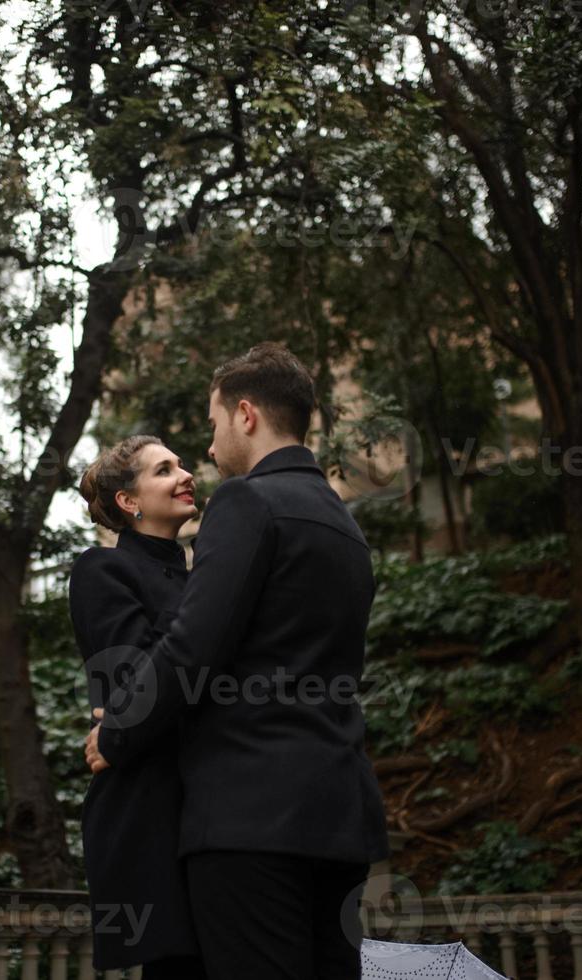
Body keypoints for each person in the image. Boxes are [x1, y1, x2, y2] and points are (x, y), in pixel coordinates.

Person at [83, 342, 391, 980]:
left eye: (215, 421)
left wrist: (117, 731)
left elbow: (194, 646)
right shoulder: (344, 524)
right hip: (339, 816)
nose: (210, 441)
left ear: (245, 415)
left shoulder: (246, 503)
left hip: (250, 817)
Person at [70, 434, 208, 980]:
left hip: (206, 804)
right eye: (165, 469)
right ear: (130, 502)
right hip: (149, 812)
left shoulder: (201, 578)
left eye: (182, 463)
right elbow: (135, 685)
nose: (186, 473)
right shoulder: (101, 571)